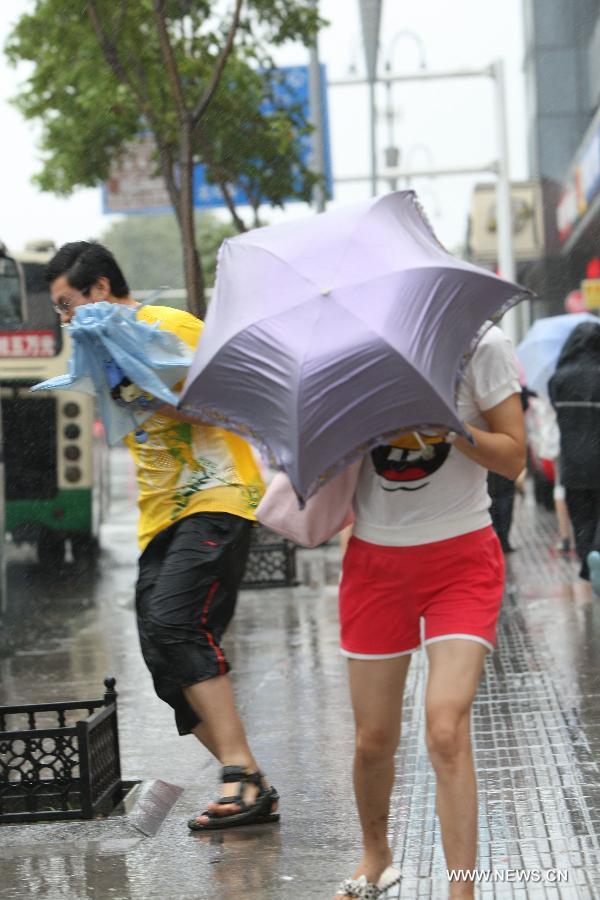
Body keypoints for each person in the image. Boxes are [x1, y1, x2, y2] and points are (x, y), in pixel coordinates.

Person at [46, 242, 279, 830]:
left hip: (217, 499)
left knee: (178, 622)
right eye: (58, 310)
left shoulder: (169, 326)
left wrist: (152, 394)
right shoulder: (103, 353)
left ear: (101, 289)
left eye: (68, 303)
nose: (66, 319)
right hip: (162, 519)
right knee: (160, 655)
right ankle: (247, 776)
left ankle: (242, 780)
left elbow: (237, 399)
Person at [335, 324, 525, 899]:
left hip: (462, 559)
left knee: (446, 726)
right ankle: (376, 855)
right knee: (373, 740)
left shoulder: (480, 345)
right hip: (375, 563)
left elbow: (514, 456)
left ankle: (461, 890)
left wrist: (452, 427)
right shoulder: (350, 352)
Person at [549, 321, 600, 596]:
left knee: (582, 519)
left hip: (573, 463)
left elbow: (558, 412)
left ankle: (587, 564)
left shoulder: (558, 380)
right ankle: (596, 555)